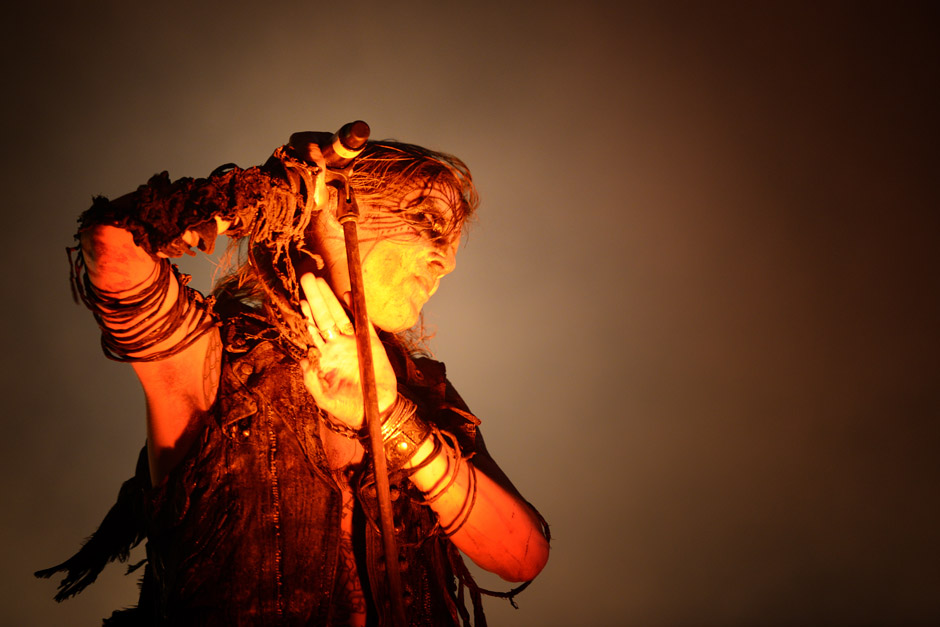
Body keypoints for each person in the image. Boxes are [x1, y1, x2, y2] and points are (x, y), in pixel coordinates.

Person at [37, 129, 550, 625]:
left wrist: (393, 418)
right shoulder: (214, 358)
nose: (449, 260)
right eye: (428, 223)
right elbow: (113, 243)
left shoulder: (421, 392)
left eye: (455, 242)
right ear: (333, 205)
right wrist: (274, 194)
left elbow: (522, 555)